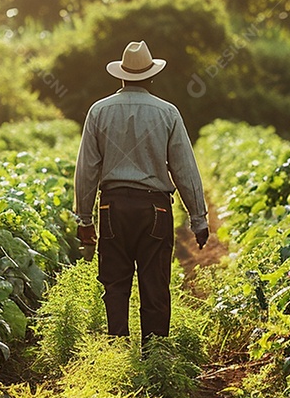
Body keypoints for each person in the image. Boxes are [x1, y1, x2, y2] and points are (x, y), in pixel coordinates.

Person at [74, 40, 209, 342]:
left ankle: (118, 352)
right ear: (150, 76)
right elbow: (184, 169)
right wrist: (198, 219)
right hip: (155, 209)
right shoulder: (168, 113)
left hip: (112, 208)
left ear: (121, 76)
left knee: (115, 284)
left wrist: (84, 220)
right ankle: (155, 355)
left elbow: (86, 170)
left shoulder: (99, 111)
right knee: (155, 284)